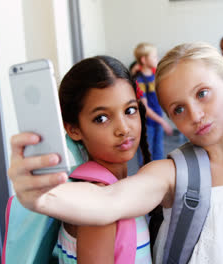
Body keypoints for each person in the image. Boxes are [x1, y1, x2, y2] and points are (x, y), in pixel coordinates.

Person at [7, 42, 223, 264]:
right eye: (178, 109)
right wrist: (41, 197)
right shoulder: (171, 173)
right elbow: (107, 202)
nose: (195, 114)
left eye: (203, 94)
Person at [53, 56, 152, 263]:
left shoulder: (113, 191)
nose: (123, 128)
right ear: (74, 129)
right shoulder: (97, 203)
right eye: (102, 118)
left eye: (130, 110)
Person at [133, 42, 173, 166]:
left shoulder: (155, 76)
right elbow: (144, 108)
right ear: (144, 60)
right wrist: (162, 121)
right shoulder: (139, 81)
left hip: (157, 121)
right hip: (147, 125)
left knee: (159, 154)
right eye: (154, 56)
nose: (157, 59)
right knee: (146, 157)